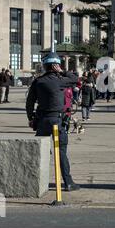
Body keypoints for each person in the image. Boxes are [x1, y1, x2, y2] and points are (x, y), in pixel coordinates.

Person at [26, 52, 80, 192]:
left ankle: (33, 181)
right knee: (61, 152)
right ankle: (68, 183)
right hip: (58, 120)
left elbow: (30, 102)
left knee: (39, 151)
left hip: (43, 120)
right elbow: (75, 78)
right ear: (56, 66)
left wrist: (30, 118)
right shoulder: (60, 80)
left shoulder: (38, 81)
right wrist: (63, 71)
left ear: (44, 66)